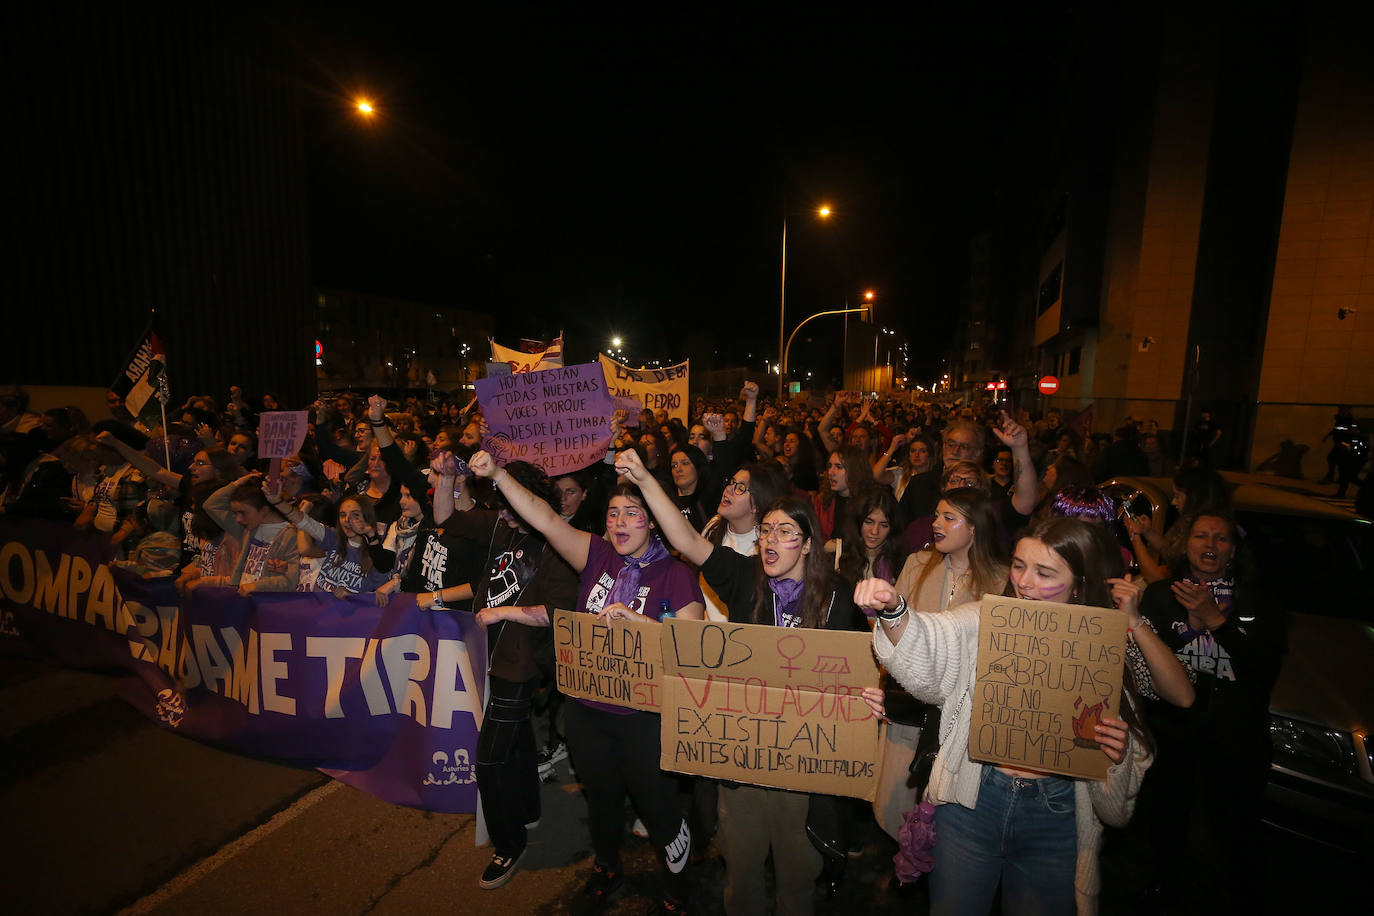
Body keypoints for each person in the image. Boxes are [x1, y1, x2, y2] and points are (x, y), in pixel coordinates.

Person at [858, 517, 1154, 915]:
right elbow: (937, 636)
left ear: (1081, 582)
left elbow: (1116, 815)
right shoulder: (988, 620)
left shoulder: (1105, 656)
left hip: (1057, 817)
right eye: (1018, 565)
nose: (1024, 582)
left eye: (1044, 572)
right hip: (973, 803)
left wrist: (1114, 761)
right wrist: (895, 612)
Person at [614, 447, 862, 916]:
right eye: (766, 530)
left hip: (803, 766)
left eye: (785, 532)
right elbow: (687, 542)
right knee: (742, 877)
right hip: (745, 759)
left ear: (809, 544)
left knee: (796, 881)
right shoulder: (746, 581)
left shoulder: (838, 599)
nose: (770, 541)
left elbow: (862, 671)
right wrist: (646, 480)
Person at [468, 449, 703, 912]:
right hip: (588, 713)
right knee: (602, 802)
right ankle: (608, 868)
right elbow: (545, 519)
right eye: (614, 513)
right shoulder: (595, 554)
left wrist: (641, 625)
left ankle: (679, 884)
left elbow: (692, 648)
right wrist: (497, 476)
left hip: (645, 720)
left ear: (653, 521)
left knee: (657, 808)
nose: (620, 523)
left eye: (633, 514)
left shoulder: (675, 575)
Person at [1138, 510, 1283, 912]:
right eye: (1201, 536)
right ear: (1185, 544)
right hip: (1175, 730)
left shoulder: (1256, 600)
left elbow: (1264, 666)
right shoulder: (1160, 594)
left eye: (1221, 539)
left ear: (1233, 551)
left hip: (1236, 735)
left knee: (1234, 828)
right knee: (1168, 816)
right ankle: (1163, 886)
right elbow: (1147, 665)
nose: (1210, 544)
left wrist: (1215, 619)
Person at [861, 489, 1009, 841]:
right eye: (936, 515)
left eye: (949, 517)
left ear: (974, 529)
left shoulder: (1001, 580)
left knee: (948, 808)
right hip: (911, 703)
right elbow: (889, 630)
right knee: (898, 797)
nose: (937, 524)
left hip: (962, 715)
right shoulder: (917, 564)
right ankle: (901, 866)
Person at [194, 474, 299, 594]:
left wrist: (257, 586)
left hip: (268, 606)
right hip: (248, 602)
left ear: (264, 510)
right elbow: (211, 505)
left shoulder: (290, 535)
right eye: (236, 513)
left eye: (243, 512)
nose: (238, 519)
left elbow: (292, 580)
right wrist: (239, 482)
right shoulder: (248, 530)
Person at [836, 487, 908, 593]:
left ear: (892, 529)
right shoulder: (837, 554)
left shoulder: (902, 565)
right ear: (858, 522)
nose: (874, 531)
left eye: (884, 525)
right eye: (869, 522)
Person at [813, 446, 873, 542]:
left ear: (855, 470)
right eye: (829, 466)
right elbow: (814, 537)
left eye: (839, 467)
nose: (831, 472)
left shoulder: (870, 503)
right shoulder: (822, 500)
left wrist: (838, 547)